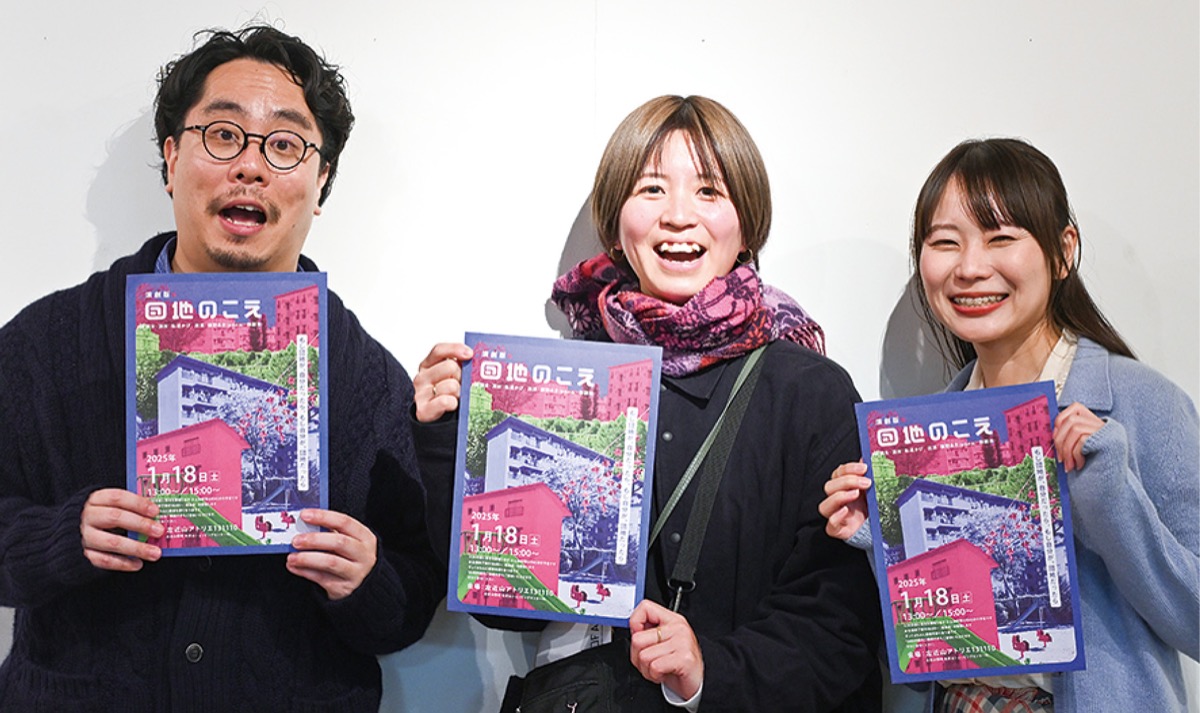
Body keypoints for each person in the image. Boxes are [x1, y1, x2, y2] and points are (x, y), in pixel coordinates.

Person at [0, 25, 448, 710]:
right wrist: (61, 537)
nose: (251, 166)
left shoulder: (368, 380)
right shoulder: (46, 344)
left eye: (285, 145)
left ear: (321, 181)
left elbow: (411, 602)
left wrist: (368, 579)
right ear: (172, 157)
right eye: (223, 135)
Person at [416, 95, 882, 711]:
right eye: (652, 189)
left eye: (709, 191)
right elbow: (510, 608)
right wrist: (446, 436)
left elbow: (840, 629)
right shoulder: (561, 384)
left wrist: (707, 671)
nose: (678, 216)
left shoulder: (810, 391)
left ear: (747, 224)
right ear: (617, 223)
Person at [819, 138, 1200, 713]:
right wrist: (879, 536)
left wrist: (1110, 496)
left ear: (1062, 251)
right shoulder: (928, 434)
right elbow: (939, 646)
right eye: (945, 242)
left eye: (1000, 238)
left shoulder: (1140, 404)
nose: (971, 268)